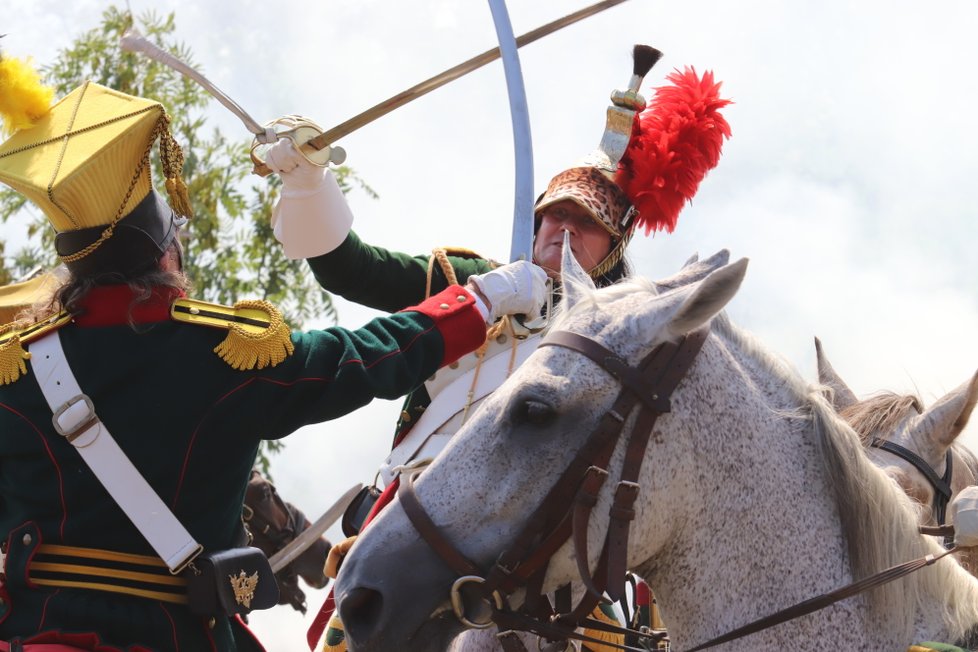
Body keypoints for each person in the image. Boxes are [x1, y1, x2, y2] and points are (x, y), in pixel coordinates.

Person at [0, 75, 547, 651]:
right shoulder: (223, 353)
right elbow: (367, 355)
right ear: (166, 254)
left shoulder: (14, 371)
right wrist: (479, 301)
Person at [266, 45, 732, 651]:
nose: (562, 229)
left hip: (550, 553)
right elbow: (350, 269)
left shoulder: (630, 343)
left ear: (613, 249)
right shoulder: (472, 283)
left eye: (584, 222)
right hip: (416, 525)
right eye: (552, 216)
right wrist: (307, 180)